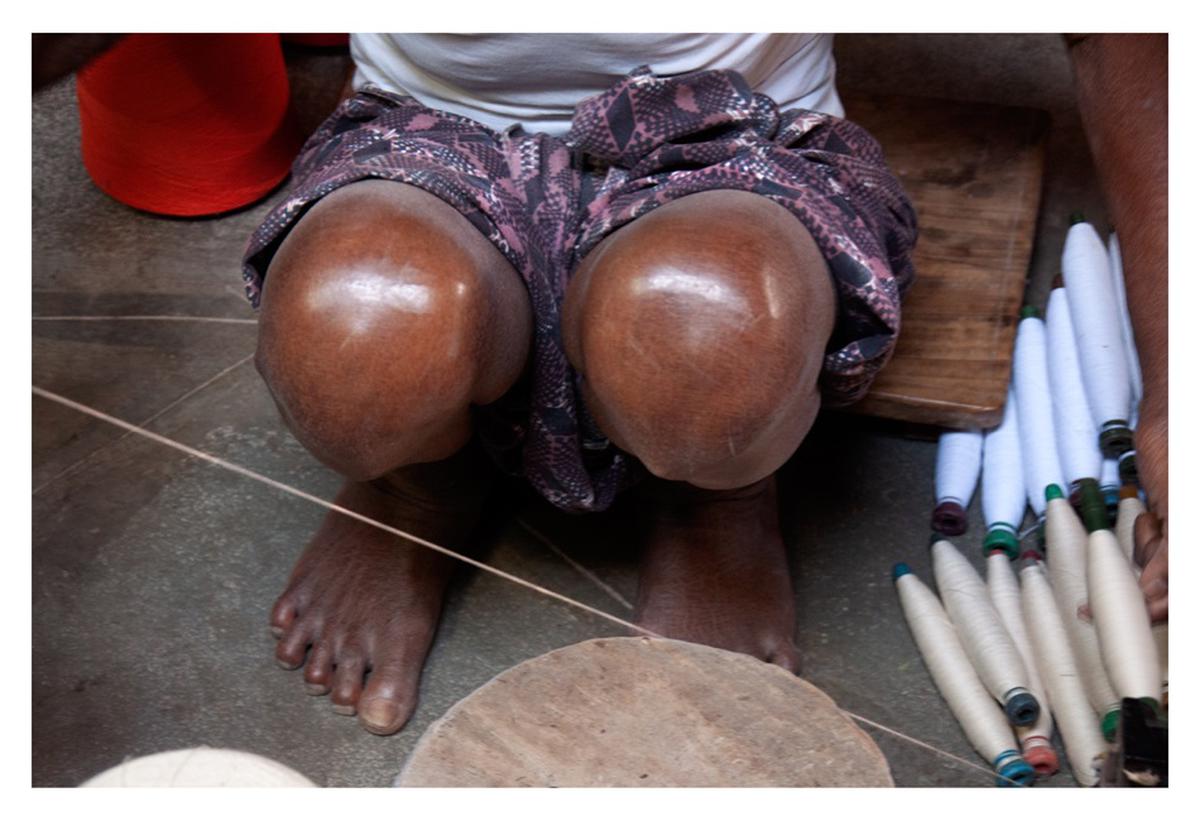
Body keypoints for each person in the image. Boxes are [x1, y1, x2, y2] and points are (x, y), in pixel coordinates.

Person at [240, 33, 1167, 737]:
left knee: (709, 337)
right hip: (423, 133)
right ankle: (415, 483)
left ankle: (712, 499)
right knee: (355, 341)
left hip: (731, 139)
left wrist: (1177, 382)